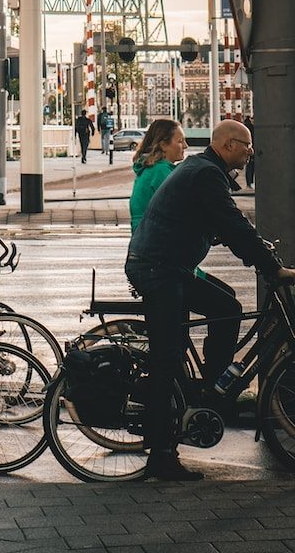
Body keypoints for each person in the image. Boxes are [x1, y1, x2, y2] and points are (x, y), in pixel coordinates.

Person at [125, 119, 295, 481]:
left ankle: (212, 386)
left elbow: (222, 226)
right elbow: (232, 223)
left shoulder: (202, 170)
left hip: (168, 265)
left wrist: (258, 250)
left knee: (227, 307)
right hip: (158, 269)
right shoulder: (206, 174)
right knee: (167, 356)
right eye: (246, 145)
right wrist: (270, 266)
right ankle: (162, 455)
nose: (251, 152)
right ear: (229, 146)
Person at [129, 119, 187, 233]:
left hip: (143, 240)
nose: (185, 146)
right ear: (164, 145)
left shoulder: (149, 169)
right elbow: (182, 208)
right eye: (180, 141)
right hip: (157, 241)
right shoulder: (160, 171)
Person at [243, 115, 255, 188]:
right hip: (251, 149)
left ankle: (249, 183)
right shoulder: (250, 128)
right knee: (251, 166)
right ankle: (250, 183)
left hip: (251, 149)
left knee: (250, 166)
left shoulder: (248, 127)